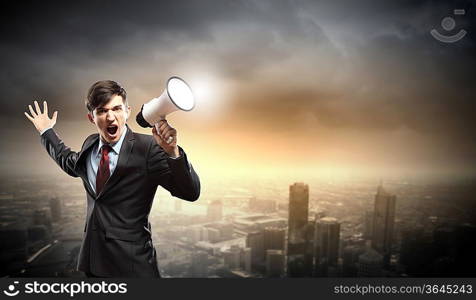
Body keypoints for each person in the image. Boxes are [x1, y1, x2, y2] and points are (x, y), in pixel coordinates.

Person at [24, 80, 200, 278]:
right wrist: (46, 131)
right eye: (102, 111)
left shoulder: (148, 148)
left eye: (117, 109)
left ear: (127, 111)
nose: (110, 117)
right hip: (93, 263)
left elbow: (190, 192)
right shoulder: (90, 144)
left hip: (133, 266)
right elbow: (69, 162)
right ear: (91, 117)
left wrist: (172, 152)